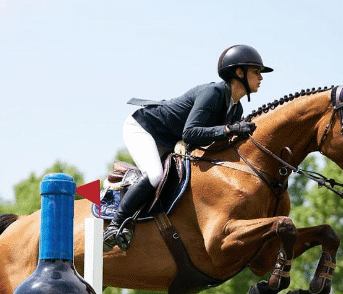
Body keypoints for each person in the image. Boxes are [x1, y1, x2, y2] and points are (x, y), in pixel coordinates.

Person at [103, 44, 273, 251]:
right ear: (239, 72)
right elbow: (190, 133)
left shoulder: (235, 108)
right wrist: (230, 130)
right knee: (155, 175)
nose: (261, 78)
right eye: (256, 72)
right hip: (145, 128)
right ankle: (115, 225)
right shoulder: (214, 93)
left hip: (169, 140)